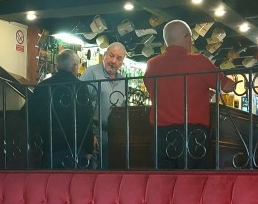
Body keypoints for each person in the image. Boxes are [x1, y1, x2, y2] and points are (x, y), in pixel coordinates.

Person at [143, 20, 234, 169]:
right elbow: (227, 86)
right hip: (193, 135)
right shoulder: (199, 61)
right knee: (192, 180)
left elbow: (162, 93)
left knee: (163, 179)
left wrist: (201, 92)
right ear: (187, 37)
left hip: (160, 135)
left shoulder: (152, 64)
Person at [28, 49, 94, 168]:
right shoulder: (80, 87)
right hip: (75, 146)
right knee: (73, 179)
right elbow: (87, 119)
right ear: (75, 67)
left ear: (57, 66)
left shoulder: (43, 86)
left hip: (49, 146)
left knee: (51, 179)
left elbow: (28, 113)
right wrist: (89, 148)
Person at [80, 42, 127, 168]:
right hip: (94, 131)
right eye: (111, 55)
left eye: (119, 58)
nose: (113, 61)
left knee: (109, 170)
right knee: (93, 172)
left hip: (114, 134)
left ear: (122, 62)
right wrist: (89, 134)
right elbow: (79, 105)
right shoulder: (91, 73)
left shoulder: (123, 80)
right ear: (104, 55)